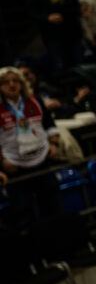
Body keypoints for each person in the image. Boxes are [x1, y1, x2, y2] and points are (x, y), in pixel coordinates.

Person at [0, 66, 61, 220]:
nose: (12, 85)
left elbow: (49, 125)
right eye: (6, 82)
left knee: (53, 208)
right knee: (25, 215)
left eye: (15, 81)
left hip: (42, 161)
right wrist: (2, 162)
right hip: (15, 167)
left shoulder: (35, 101)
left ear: (22, 83)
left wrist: (53, 144)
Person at [28, 0, 80, 71]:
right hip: (52, 35)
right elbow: (32, 12)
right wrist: (47, 18)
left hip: (70, 32)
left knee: (76, 66)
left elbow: (74, 5)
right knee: (60, 65)